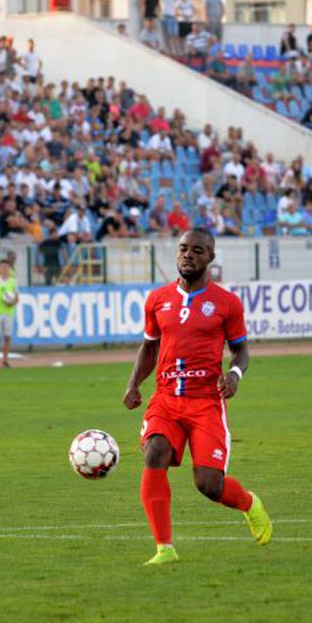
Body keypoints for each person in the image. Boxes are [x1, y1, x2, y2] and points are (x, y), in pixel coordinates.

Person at [123, 229, 272, 566]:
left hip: (205, 402)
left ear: (210, 258)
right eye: (183, 249)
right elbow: (149, 347)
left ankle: (249, 504)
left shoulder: (226, 303)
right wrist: (133, 384)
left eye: (197, 250)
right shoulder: (158, 300)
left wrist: (233, 375)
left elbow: (241, 351)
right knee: (155, 451)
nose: (188, 255)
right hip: (166, 398)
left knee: (208, 484)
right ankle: (165, 549)